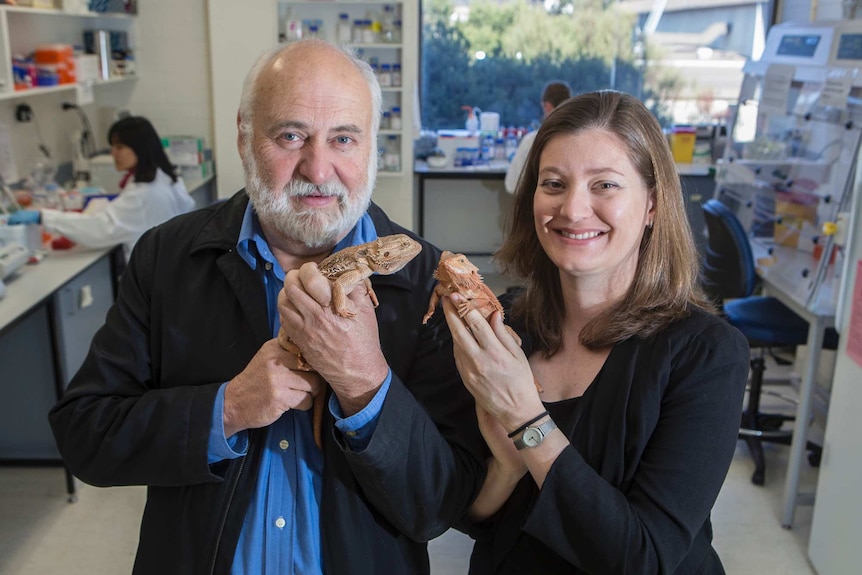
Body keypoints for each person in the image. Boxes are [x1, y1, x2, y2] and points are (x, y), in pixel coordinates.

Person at [48, 39, 485, 574]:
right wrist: (227, 408)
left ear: (372, 145)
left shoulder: (422, 279)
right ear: (244, 137)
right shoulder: (167, 257)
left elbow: (445, 502)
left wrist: (366, 382)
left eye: (343, 138)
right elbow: (85, 434)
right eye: (291, 135)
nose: (318, 170)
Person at [442, 90, 749, 574]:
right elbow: (465, 514)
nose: (573, 209)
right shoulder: (503, 327)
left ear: (651, 204)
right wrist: (506, 466)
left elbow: (644, 558)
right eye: (554, 183)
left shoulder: (706, 354)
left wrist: (528, 422)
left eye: (604, 185)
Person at [8, 116, 195, 261]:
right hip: (174, 269)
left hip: (153, 280)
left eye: (120, 147)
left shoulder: (142, 193)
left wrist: (43, 216)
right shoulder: (167, 177)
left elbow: (99, 229)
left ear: (140, 148)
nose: (113, 153)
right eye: (112, 147)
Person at [504, 80, 572, 194]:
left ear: (547, 106)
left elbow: (512, 185)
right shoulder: (581, 140)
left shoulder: (532, 140)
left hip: (536, 209)